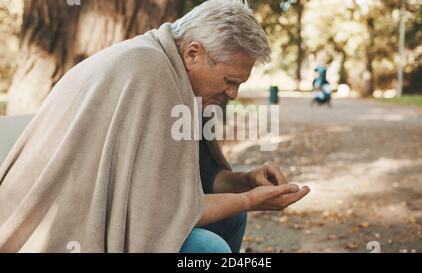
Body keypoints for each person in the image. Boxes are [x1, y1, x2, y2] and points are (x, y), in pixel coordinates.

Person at [0, 0, 310, 253]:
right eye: (230, 81)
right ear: (193, 53)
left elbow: (196, 180)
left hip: (124, 211)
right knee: (207, 248)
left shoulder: (182, 77)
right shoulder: (148, 71)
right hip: (63, 228)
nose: (233, 94)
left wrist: (246, 182)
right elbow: (157, 210)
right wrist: (249, 200)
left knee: (232, 219)